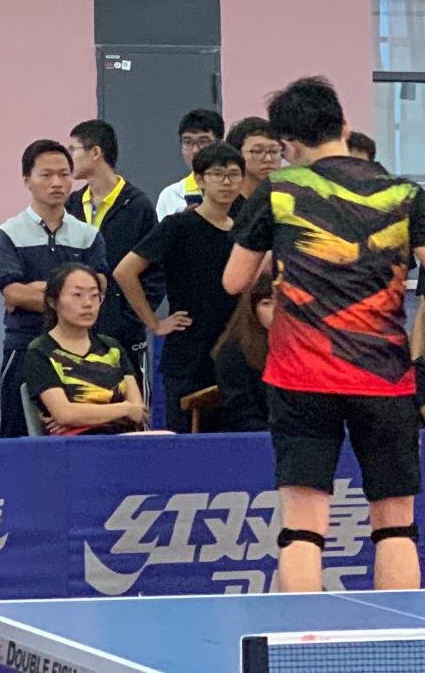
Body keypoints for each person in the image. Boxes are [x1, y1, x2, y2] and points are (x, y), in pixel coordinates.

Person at [225, 75, 425, 594]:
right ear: (345, 125)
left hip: (301, 379)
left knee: (302, 529)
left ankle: (301, 638)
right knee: (396, 526)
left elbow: (234, 281)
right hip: (385, 379)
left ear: (288, 144)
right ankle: (402, 638)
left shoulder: (280, 190)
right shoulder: (406, 195)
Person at [114, 141, 245, 427]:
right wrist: (154, 323)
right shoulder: (179, 226)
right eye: (217, 174)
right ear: (199, 179)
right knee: (187, 439)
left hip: (235, 354)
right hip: (189, 353)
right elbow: (125, 272)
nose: (226, 182)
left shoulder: (245, 230)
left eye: (234, 174)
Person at [0, 140, 109, 438]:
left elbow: (97, 290)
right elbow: (13, 293)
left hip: (79, 350)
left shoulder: (89, 235)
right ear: (27, 180)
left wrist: (39, 290)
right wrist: (73, 293)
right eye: (46, 175)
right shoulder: (8, 233)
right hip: (24, 344)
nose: (57, 182)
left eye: (64, 174)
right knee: (18, 435)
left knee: (77, 433)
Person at [63, 119, 154, 396]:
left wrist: (130, 317)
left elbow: (155, 271)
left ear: (95, 152)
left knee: (130, 405)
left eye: (73, 149)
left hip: (123, 333)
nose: (69, 157)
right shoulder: (71, 205)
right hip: (76, 330)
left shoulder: (137, 205)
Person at [23, 263, 148, 436]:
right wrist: (124, 409)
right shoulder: (40, 351)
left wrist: (81, 419)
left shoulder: (112, 347)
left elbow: (138, 411)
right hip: (73, 446)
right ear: (52, 301)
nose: (88, 303)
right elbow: (65, 414)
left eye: (95, 295)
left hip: (123, 440)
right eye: (77, 295)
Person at [212, 270, 275, 434]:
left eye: (282, 303)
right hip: (252, 436)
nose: (276, 311)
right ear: (252, 308)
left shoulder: (306, 345)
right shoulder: (233, 351)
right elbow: (240, 410)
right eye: (267, 303)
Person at [156, 108, 229, 217]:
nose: (195, 150)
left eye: (203, 142)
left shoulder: (233, 188)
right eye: (188, 142)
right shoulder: (171, 196)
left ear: (221, 144)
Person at [228, 116, 284, 199]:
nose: (268, 159)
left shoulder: (289, 201)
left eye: (274, 151)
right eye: (258, 151)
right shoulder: (225, 202)